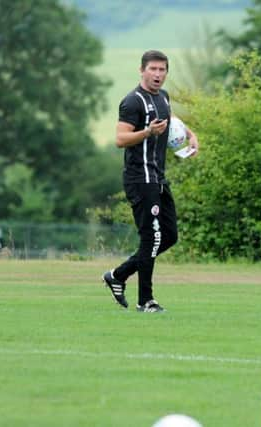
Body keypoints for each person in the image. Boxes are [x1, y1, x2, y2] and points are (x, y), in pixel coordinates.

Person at [102, 50, 199, 313]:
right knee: (151, 238)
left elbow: (170, 119)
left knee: (169, 236)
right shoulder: (132, 102)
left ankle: (118, 275)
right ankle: (146, 301)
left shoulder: (163, 97)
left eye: (162, 70)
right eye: (153, 69)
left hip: (158, 178)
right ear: (142, 70)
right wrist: (147, 132)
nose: (158, 74)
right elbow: (121, 139)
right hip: (139, 178)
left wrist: (190, 134)